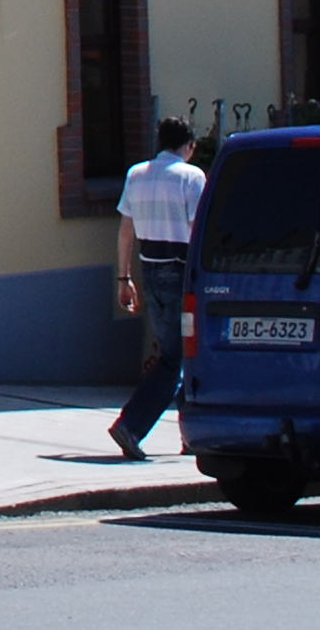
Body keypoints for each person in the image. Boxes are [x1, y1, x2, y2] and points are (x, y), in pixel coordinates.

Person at [108, 117, 209, 457]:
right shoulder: (191, 177)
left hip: (150, 269)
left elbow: (125, 231)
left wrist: (124, 278)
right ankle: (131, 425)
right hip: (183, 273)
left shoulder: (136, 174)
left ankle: (191, 436)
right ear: (189, 146)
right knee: (177, 359)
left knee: (176, 353)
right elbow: (197, 231)